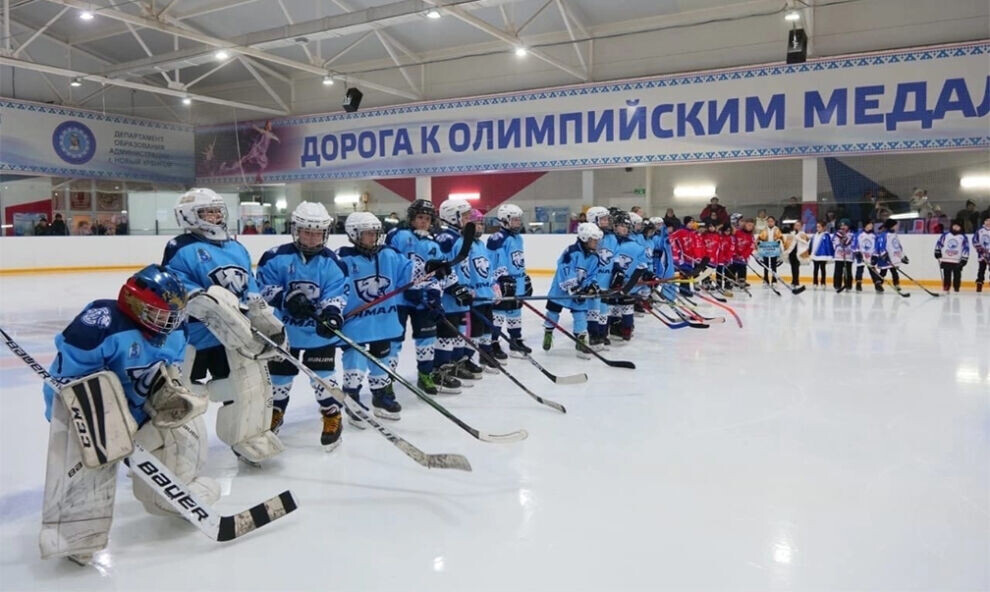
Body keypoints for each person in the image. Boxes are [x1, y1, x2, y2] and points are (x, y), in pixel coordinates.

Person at [39, 265, 217, 563]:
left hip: (138, 408)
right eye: (162, 314)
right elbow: (69, 383)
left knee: (183, 430)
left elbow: (166, 371)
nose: (170, 322)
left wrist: (167, 391)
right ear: (134, 303)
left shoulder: (176, 331)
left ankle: (180, 489)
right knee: (92, 461)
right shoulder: (100, 324)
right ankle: (77, 530)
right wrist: (97, 418)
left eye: (174, 314)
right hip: (90, 414)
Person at [163, 188, 286, 465]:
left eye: (218, 211)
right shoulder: (180, 247)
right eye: (208, 212)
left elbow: (249, 284)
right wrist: (204, 300)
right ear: (189, 216)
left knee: (241, 388)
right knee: (184, 392)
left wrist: (257, 307)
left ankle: (246, 437)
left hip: (232, 336)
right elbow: (176, 285)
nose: (216, 216)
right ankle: (173, 444)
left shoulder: (236, 246)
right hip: (194, 335)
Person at [255, 202, 349, 451]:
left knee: (323, 379)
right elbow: (262, 287)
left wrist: (331, 314)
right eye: (306, 231)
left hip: (318, 336)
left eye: (317, 232)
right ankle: (274, 414)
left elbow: (336, 294)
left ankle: (331, 416)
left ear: (325, 233)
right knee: (279, 378)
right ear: (296, 230)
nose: (311, 237)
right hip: (283, 333)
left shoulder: (333, 262)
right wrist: (285, 298)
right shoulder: (275, 257)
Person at [336, 212, 412, 423]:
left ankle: (381, 397)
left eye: (376, 233)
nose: (374, 238)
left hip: (383, 321)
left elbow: (409, 270)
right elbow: (334, 287)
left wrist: (431, 267)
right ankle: (352, 397)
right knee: (355, 359)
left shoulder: (389, 254)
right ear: (354, 234)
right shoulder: (341, 257)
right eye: (368, 234)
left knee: (383, 357)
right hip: (355, 323)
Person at [386, 199, 457, 394]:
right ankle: (386, 381)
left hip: (423, 299)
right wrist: (404, 286)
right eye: (420, 218)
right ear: (411, 218)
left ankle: (425, 375)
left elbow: (437, 273)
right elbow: (390, 265)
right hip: (398, 298)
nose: (424, 222)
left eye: (427, 218)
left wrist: (434, 293)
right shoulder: (398, 236)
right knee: (393, 341)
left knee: (427, 338)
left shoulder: (433, 243)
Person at [435, 199, 488, 381]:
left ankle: (458, 363)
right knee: (448, 334)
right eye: (465, 216)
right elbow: (442, 269)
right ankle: (443, 367)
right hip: (448, 297)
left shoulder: (459, 236)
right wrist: (453, 288)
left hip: (462, 294)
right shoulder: (446, 239)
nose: (469, 220)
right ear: (452, 217)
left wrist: (468, 288)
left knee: (461, 332)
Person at [542, 223, 602, 357]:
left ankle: (580, 343)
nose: (596, 243)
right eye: (594, 240)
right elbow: (565, 269)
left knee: (580, 316)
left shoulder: (594, 257)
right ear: (585, 239)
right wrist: (573, 286)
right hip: (560, 290)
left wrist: (590, 286)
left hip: (578, 292)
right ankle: (548, 332)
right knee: (553, 313)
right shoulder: (571, 252)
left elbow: (592, 275)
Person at [488, 203, 533, 358]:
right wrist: (502, 279)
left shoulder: (518, 238)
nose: (518, 223)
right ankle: (493, 343)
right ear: (504, 220)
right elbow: (495, 261)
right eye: (514, 220)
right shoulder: (497, 238)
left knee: (515, 312)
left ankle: (515, 341)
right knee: (498, 314)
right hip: (504, 283)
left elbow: (518, 260)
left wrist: (524, 276)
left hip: (517, 282)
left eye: (519, 220)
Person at [605, 210, 650, 343]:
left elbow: (642, 266)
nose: (624, 229)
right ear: (614, 226)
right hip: (610, 283)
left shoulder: (635, 246)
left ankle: (626, 328)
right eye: (621, 226)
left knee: (626, 306)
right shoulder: (609, 242)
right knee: (612, 306)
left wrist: (631, 284)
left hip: (628, 284)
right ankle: (614, 328)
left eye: (626, 227)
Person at [669, 216, 708, 295]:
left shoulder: (692, 233)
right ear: (686, 223)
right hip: (683, 257)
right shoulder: (680, 231)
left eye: (692, 222)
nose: (691, 224)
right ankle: (684, 290)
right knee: (684, 273)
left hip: (690, 257)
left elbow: (695, 246)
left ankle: (687, 288)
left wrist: (697, 256)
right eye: (690, 222)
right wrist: (677, 250)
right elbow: (671, 238)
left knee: (689, 273)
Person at [935, 220, 969, 293]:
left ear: (960, 227)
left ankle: (956, 287)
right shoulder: (946, 235)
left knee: (957, 275)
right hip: (946, 259)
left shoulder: (963, 237)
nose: (956, 227)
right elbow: (939, 243)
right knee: (946, 274)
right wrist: (937, 251)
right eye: (954, 225)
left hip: (957, 260)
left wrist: (964, 259)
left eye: (958, 226)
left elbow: (966, 248)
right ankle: (946, 286)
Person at [874, 219, 907, 291]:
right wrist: (884, 255)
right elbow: (881, 246)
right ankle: (878, 284)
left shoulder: (894, 235)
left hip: (893, 258)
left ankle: (896, 284)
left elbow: (898, 246)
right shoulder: (884, 235)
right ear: (891, 226)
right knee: (883, 272)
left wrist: (903, 256)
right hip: (885, 258)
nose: (897, 226)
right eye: (896, 225)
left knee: (894, 272)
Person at [853, 220, 881, 292]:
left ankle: (877, 285)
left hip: (870, 256)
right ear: (865, 225)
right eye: (869, 225)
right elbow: (855, 244)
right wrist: (857, 252)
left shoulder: (874, 236)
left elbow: (877, 246)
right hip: (861, 256)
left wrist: (875, 256)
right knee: (859, 270)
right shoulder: (859, 234)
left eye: (871, 225)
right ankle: (858, 284)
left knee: (873, 271)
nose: (870, 226)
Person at [756, 216, 783, 286]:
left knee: (774, 266)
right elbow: (759, 238)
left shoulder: (777, 230)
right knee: (766, 265)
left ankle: (774, 280)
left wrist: (778, 242)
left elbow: (781, 238)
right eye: (769, 221)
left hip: (774, 250)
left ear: (774, 222)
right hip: (765, 250)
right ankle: (766, 280)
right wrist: (759, 243)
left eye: (771, 221)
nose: (770, 223)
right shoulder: (764, 230)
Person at [782, 222, 809, 287]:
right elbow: (787, 243)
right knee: (792, 267)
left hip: (798, 253)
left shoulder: (802, 234)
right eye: (796, 225)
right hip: (791, 252)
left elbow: (805, 242)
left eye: (798, 225)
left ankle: (796, 281)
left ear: (801, 226)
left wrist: (798, 238)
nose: (797, 226)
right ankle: (793, 280)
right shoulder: (792, 234)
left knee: (796, 267)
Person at [730, 218, 756, 287]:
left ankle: (741, 280)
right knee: (733, 268)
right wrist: (734, 253)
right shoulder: (737, 232)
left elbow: (750, 248)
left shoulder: (751, 236)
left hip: (743, 257)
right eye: (749, 225)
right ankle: (731, 280)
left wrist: (744, 256)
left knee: (742, 268)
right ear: (745, 225)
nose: (750, 227)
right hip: (734, 256)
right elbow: (733, 242)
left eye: (751, 226)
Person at [831, 220, 854, 291]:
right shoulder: (837, 234)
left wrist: (845, 240)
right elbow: (834, 243)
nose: (843, 227)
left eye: (845, 225)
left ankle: (848, 285)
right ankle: (837, 285)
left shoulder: (851, 234)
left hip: (848, 256)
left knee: (848, 271)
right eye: (841, 225)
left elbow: (851, 243)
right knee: (838, 271)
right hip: (839, 256)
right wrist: (840, 242)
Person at [809, 221, 834, 288]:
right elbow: (811, 244)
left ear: (823, 227)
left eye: (819, 227)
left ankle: (823, 282)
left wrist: (829, 254)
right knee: (815, 269)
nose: (818, 228)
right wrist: (810, 252)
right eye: (817, 227)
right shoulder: (815, 235)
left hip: (823, 256)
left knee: (823, 269)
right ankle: (815, 282)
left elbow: (828, 245)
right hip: (815, 255)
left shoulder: (826, 235)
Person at [974, 216, 990, 293]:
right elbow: (975, 240)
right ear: (984, 222)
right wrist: (980, 249)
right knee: (981, 269)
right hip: (982, 254)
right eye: (987, 220)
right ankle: (979, 284)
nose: (988, 222)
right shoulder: (980, 231)